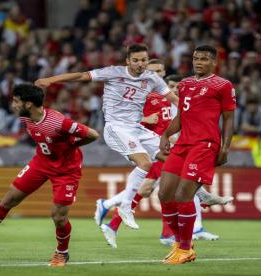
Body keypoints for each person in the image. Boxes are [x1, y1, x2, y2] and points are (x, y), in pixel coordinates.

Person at [36, 44, 179, 231]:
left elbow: (175, 100)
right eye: (135, 60)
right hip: (116, 128)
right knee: (145, 164)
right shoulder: (113, 72)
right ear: (128, 61)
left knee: (175, 158)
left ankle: (200, 195)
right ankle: (125, 206)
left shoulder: (152, 78)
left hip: (137, 128)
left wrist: (195, 109)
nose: (140, 64)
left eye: (143, 60)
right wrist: (51, 80)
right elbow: (81, 76)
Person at [0, 84, 99, 267]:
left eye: (16, 101)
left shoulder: (58, 122)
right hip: (41, 162)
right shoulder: (26, 118)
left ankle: (62, 253)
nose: (13, 105)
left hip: (66, 170)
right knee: (8, 200)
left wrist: (71, 145)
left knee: (58, 217)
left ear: (29, 104)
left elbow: (93, 135)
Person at [97, 65, 230, 248]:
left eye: (177, 86)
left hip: (166, 148)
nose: (175, 89)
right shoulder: (150, 97)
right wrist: (147, 121)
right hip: (152, 147)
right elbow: (129, 119)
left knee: (162, 189)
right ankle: (110, 212)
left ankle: (116, 220)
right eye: (171, 85)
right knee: (155, 189)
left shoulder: (178, 102)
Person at [158, 45, 236, 264]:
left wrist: (225, 148)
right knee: (164, 195)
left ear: (213, 62)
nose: (198, 62)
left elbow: (229, 119)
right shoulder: (185, 84)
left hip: (205, 144)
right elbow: (182, 115)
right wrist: (166, 134)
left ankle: (185, 249)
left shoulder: (223, 85)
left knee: (183, 195)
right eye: (195, 58)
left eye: (203, 59)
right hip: (183, 144)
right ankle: (180, 243)